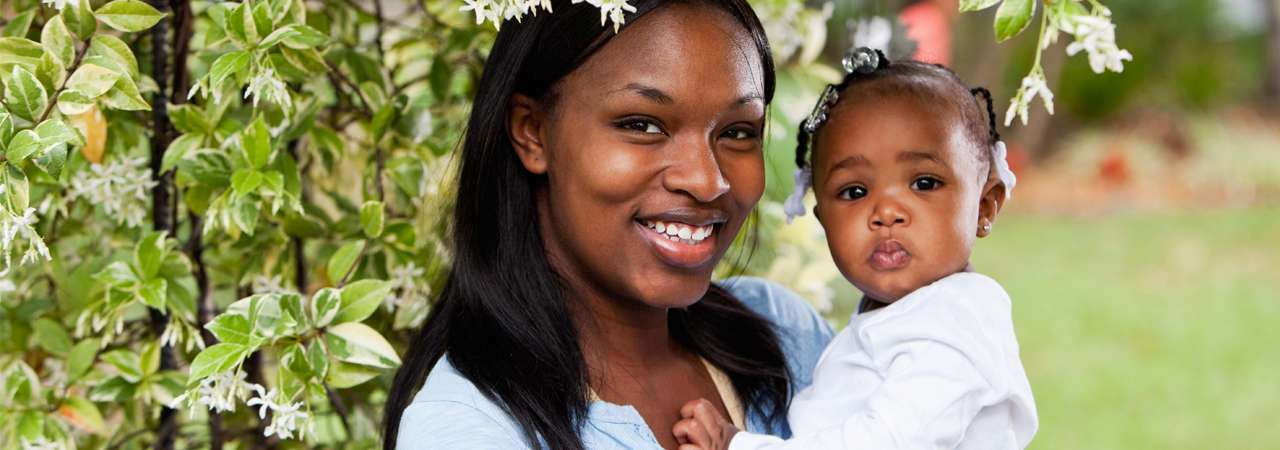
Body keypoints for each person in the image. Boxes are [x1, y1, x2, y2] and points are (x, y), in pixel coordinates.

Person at [381, 1, 835, 449]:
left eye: (737, 131)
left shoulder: (788, 336)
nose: (706, 180)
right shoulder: (468, 430)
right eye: (642, 124)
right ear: (532, 131)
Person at [672, 48, 1038, 450]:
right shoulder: (902, 316)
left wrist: (737, 446)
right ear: (823, 218)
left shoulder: (952, 326)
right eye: (855, 191)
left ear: (984, 206)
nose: (886, 212)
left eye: (924, 183)